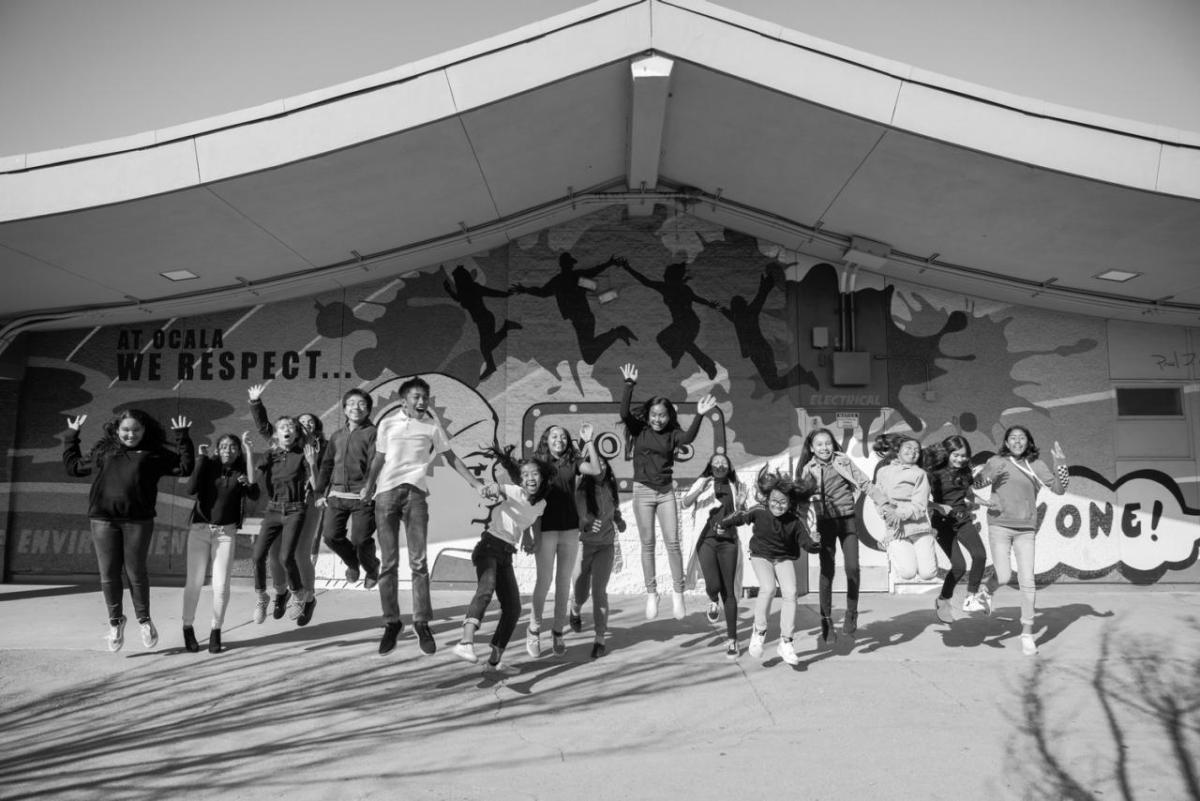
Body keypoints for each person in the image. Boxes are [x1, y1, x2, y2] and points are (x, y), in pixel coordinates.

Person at [363, 376, 495, 656]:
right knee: (388, 563)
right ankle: (392, 623)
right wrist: (368, 486)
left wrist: (475, 483)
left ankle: (421, 622)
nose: (422, 401)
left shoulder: (431, 427)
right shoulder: (386, 424)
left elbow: (450, 457)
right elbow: (378, 458)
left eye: (425, 397)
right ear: (403, 400)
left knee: (418, 562)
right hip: (386, 494)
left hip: (416, 495)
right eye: (416, 397)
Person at [63, 409, 194, 652]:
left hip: (138, 522)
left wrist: (182, 438)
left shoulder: (154, 453)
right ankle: (115, 622)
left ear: (144, 430)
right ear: (116, 430)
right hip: (103, 521)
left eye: (136, 430)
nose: (130, 434)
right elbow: (74, 467)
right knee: (109, 574)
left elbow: (184, 467)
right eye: (125, 430)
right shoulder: (105, 451)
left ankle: (144, 620)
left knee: (136, 572)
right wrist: (72, 436)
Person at [618, 362, 717, 620]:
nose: (657, 419)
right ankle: (652, 593)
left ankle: (678, 592)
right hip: (642, 492)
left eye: (662, 415)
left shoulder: (673, 434)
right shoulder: (639, 430)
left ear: (668, 416)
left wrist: (699, 415)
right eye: (654, 415)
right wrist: (629, 385)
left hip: (665, 493)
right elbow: (624, 413)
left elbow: (688, 439)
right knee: (647, 544)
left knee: (673, 543)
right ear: (649, 415)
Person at [974, 426, 1069, 656]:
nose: (1017, 442)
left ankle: (1027, 633)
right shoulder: (997, 461)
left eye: (1022, 438)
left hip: (1026, 529)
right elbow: (977, 485)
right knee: (1004, 576)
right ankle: (987, 591)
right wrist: (981, 474)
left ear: (1028, 442)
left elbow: (1059, 489)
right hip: (999, 525)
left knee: (1028, 581)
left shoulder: (1036, 465)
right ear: (1006, 443)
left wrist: (1061, 463)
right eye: (1013, 438)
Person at [452, 445, 545, 674]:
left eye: (534, 474)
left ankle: (494, 661)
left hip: (506, 554)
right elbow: (499, 488)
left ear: (542, 477)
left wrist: (530, 539)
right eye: (525, 475)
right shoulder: (515, 491)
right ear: (520, 481)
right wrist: (489, 489)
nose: (530, 478)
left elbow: (534, 520)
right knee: (487, 587)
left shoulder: (542, 503)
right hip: (488, 547)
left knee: (513, 608)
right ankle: (465, 642)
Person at [720, 469, 817, 665]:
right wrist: (724, 523)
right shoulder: (759, 510)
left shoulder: (794, 521)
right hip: (760, 555)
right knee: (768, 588)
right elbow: (741, 517)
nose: (777, 505)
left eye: (783, 502)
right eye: (774, 500)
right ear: (768, 498)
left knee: (791, 593)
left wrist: (815, 543)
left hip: (783, 558)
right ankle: (759, 631)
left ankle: (786, 642)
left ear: (790, 503)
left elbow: (807, 544)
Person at [248, 385, 326, 625]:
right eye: (299, 421)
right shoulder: (282, 447)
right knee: (274, 554)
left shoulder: (317, 449)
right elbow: (265, 428)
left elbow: (321, 477)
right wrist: (255, 402)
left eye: (310, 422)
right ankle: (280, 593)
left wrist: (320, 483)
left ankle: (306, 597)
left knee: (298, 553)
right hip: (278, 506)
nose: (305, 424)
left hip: (308, 502)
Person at [525, 423, 601, 658]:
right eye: (554, 436)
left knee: (563, 583)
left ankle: (557, 631)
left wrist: (589, 442)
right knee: (544, 582)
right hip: (545, 529)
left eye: (564, 437)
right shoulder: (536, 463)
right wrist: (530, 533)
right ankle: (534, 629)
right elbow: (528, 497)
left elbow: (596, 470)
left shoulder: (573, 461)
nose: (560, 439)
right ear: (546, 439)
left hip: (569, 529)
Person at [182, 432, 258, 653]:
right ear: (217, 449)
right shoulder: (208, 465)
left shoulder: (241, 472)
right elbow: (190, 489)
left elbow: (254, 492)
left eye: (233, 447)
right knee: (194, 583)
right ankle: (187, 627)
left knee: (221, 585)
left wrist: (250, 451)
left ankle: (216, 630)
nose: (228, 450)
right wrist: (201, 459)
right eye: (223, 446)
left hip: (226, 533)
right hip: (200, 529)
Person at [796, 428, 872, 641]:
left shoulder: (843, 461)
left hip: (847, 520)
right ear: (811, 448)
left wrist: (884, 503)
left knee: (852, 568)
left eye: (828, 443)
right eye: (819, 444)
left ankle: (851, 612)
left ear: (833, 444)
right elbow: (802, 503)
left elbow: (864, 482)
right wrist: (805, 528)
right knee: (827, 571)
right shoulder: (807, 470)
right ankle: (826, 619)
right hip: (824, 523)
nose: (824, 448)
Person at [313, 388, 381, 623]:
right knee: (331, 537)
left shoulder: (373, 433)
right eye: (351, 404)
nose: (356, 407)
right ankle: (353, 564)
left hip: (362, 497)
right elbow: (326, 465)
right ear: (344, 409)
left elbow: (375, 462)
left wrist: (370, 488)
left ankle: (372, 569)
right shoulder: (336, 436)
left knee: (361, 541)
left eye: (361, 404)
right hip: (337, 496)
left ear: (368, 409)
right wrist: (320, 492)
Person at [681, 452, 749, 658]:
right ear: (710, 465)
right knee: (714, 585)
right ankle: (712, 599)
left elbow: (743, 518)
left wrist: (743, 504)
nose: (720, 464)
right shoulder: (702, 482)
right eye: (716, 462)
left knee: (729, 591)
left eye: (724, 462)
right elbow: (685, 503)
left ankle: (732, 641)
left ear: (729, 467)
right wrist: (699, 489)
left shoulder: (735, 485)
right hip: (706, 541)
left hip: (728, 542)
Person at [569, 425, 624, 659]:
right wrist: (587, 524)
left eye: (602, 462)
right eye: (594, 462)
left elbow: (613, 511)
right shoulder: (580, 488)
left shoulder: (610, 486)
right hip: (584, 545)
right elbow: (577, 518)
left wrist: (619, 520)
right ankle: (575, 609)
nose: (598, 466)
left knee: (599, 592)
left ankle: (600, 639)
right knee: (581, 592)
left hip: (605, 546)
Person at [925, 435, 988, 621]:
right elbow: (922, 501)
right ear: (947, 453)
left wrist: (987, 503)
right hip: (943, 524)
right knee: (959, 567)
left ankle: (971, 597)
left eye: (964, 455)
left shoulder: (965, 472)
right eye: (956, 455)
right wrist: (937, 507)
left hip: (962, 520)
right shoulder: (934, 473)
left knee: (980, 555)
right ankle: (943, 600)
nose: (961, 459)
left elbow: (968, 494)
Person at [871, 434, 938, 583]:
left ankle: (928, 543)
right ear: (898, 451)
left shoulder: (920, 474)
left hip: (918, 528)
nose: (913, 452)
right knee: (907, 573)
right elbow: (878, 497)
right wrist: (887, 514)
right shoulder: (883, 472)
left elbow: (920, 505)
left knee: (928, 574)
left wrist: (899, 514)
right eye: (908, 448)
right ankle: (888, 544)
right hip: (896, 530)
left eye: (917, 450)